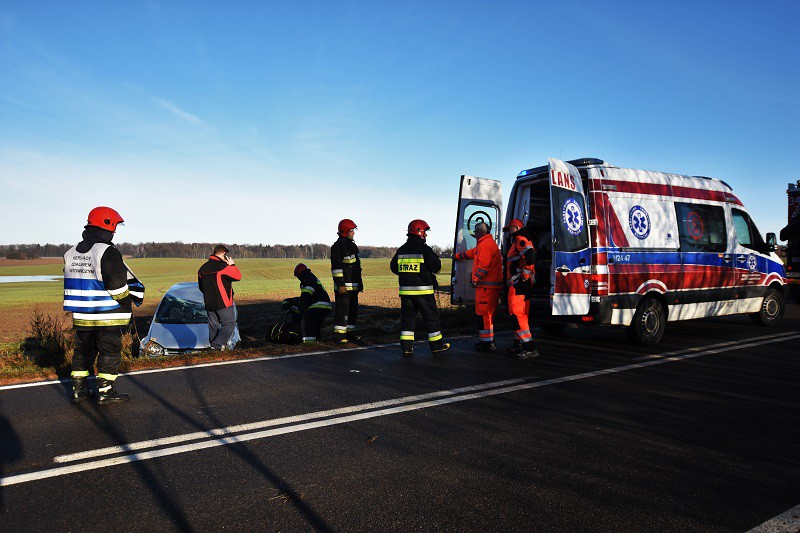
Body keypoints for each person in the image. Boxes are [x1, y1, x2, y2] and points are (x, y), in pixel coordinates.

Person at [63, 206, 145, 405]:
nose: (115, 231)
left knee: (82, 352)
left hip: (82, 315)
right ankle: (106, 392)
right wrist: (127, 301)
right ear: (106, 224)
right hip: (107, 314)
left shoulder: (70, 252)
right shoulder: (107, 251)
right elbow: (117, 286)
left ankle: (78, 390)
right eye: (115, 226)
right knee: (109, 351)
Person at [390, 219, 450, 357]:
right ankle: (436, 346)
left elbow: (394, 267)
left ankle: (406, 348)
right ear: (420, 232)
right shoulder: (424, 249)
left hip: (406, 293)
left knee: (408, 320)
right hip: (423, 292)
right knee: (431, 318)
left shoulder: (402, 250)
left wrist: (407, 274)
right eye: (425, 232)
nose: (426, 235)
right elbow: (436, 266)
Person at [453, 222, 503, 353]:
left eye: (475, 231)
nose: (474, 233)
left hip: (486, 287)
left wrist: (476, 279)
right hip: (489, 287)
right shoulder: (485, 244)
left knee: (484, 315)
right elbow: (471, 253)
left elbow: (484, 265)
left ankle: (488, 343)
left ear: (480, 232)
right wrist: (457, 256)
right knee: (487, 315)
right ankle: (486, 341)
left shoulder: (485, 245)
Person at [503, 219, 540, 359]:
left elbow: (530, 256)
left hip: (518, 284)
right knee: (521, 314)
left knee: (517, 314)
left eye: (510, 228)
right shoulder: (519, 239)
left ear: (517, 228)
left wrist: (524, 274)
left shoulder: (520, 239)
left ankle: (529, 347)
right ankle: (518, 343)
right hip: (521, 283)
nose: (509, 231)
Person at [198, 245, 242, 350]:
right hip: (223, 302)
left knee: (213, 325)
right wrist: (232, 265)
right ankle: (216, 345)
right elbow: (237, 276)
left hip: (209, 302)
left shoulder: (202, 268)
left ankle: (214, 348)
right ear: (223, 253)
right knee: (230, 324)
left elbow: (201, 287)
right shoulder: (223, 267)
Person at [330, 219, 363, 344]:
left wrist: (360, 283)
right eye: (351, 230)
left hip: (353, 286)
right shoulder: (337, 247)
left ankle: (350, 334)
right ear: (344, 231)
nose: (353, 233)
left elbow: (356, 267)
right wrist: (340, 284)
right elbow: (336, 268)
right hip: (344, 286)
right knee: (342, 311)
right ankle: (339, 336)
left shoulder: (352, 246)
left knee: (353, 311)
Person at [292, 263, 333, 344]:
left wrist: (301, 302)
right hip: (324, 305)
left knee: (306, 321)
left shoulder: (307, 278)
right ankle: (317, 342)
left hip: (319, 304)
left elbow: (307, 293)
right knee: (315, 325)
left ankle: (309, 344)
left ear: (300, 273)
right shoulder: (310, 276)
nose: (297, 277)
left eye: (297, 275)